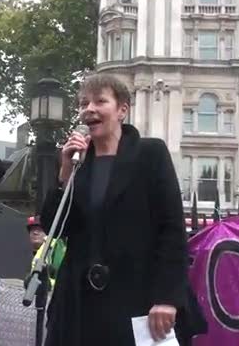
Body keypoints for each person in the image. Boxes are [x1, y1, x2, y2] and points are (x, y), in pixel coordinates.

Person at [41, 74, 189, 346]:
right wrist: (64, 174)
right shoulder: (77, 164)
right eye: (84, 103)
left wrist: (167, 297)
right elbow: (56, 228)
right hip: (78, 303)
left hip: (137, 298)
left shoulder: (150, 154)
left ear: (122, 110)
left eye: (100, 101)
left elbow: (172, 229)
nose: (89, 109)